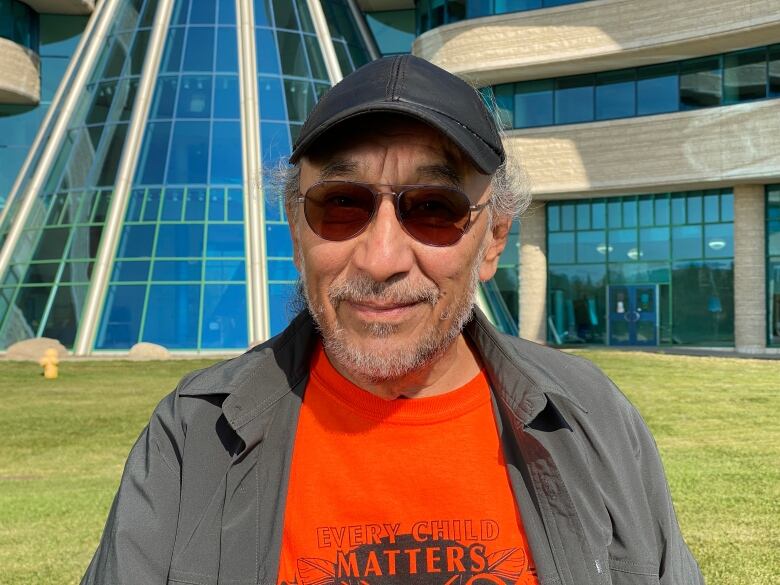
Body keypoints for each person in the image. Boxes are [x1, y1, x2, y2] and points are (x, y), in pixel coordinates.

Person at [81, 55, 704, 585]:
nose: (381, 259)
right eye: (342, 204)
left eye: (434, 208)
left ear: (492, 240)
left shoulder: (592, 417)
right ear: (297, 231)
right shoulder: (193, 436)